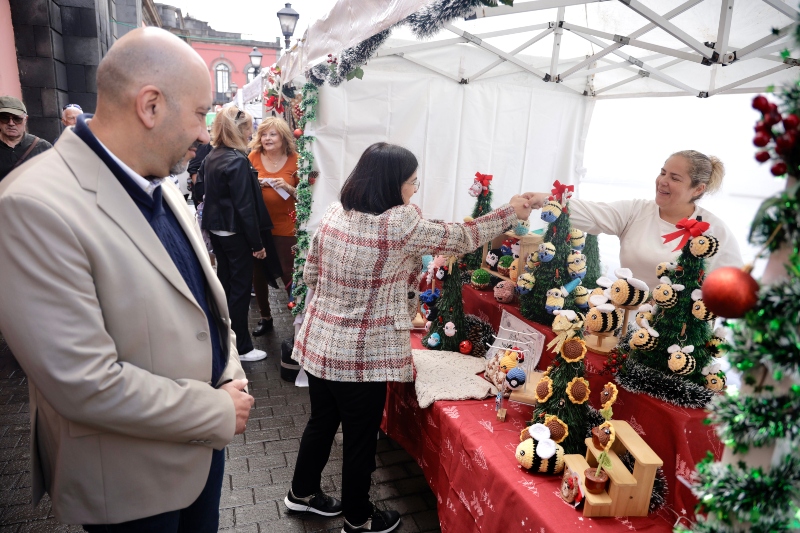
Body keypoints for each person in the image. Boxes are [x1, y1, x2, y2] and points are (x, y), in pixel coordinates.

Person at [0, 28, 254, 531]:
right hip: (130, 485)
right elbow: (83, 382)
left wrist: (229, 370)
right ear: (151, 106)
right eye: (201, 113)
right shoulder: (32, 204)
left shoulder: (160, 180)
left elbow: (203, 300)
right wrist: (216, 410)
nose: (206, 133)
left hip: (198, 455)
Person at [286, 142, 534, 533]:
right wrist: (509, 212)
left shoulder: (335, 213)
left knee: (320, 422)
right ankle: (358, 516)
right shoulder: (398, 225)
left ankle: (301, 494)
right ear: (391, 185)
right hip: (361, 358)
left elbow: (310, 275)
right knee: (360, 438)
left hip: (320, 345)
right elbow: (461, 237)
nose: (415, 189)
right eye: (412, 182)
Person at [530, 150, 743, 287]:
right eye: (663, 172)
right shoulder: (637, 211)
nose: (662, 181)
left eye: (674, 178)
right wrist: (547, 200)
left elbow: (732, 288)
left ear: (698, 189)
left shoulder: (714, 230)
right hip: (626, 320)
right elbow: (591, 213)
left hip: (679, 338)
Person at [200, 106, 280, 362]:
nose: (251, 134)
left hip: (219, 229)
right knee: (240, 290)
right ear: (239, 130)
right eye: (249, 129)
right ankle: (242, 347)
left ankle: (227, 339)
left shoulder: (215, 155)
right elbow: (244, 207)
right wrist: (257, 243)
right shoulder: (235, 159)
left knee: (226, 284)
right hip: (235, 232)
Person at [247, 117, 299, 335]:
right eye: (264, 134)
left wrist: (289, 187)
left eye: (272, 134)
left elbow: (306, 198)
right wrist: (252, 185)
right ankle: (266, 317)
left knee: (289, 272)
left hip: (286, 225)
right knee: (257, 274)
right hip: (259, 226)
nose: (267, 138)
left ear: (283, 137)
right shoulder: (253, 157)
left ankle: (297, 318)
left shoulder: (296, 160)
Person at [0, 95, 52, 181]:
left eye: (17, 119)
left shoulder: (43, 147)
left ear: (25, 119)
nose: (11, 123)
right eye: (4, 118)